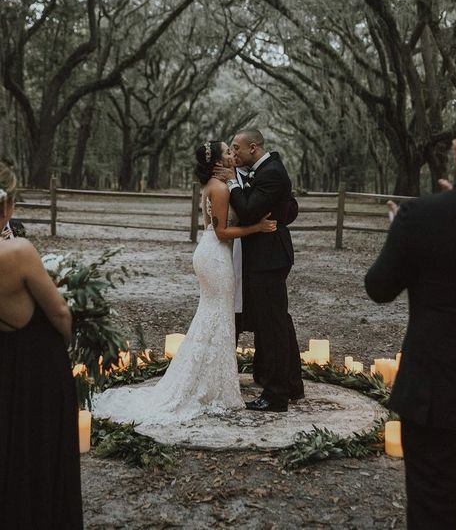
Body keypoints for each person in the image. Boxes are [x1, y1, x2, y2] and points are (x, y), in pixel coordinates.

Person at [93, 141, 276, 425]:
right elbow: (222, 231)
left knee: (216, 315)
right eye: (227, 152)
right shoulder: (217, 188)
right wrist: (257, 227)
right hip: (215, 255)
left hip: (213, 253)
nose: (232, 155)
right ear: (216, 161)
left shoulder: (218, 184)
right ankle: (204, 385)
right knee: (216, 314)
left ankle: (213, 381)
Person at [365, 108, 456, 530]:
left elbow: (379, 288)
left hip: (436, 395)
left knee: (433, 514)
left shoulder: (421, 218)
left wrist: (406, 232)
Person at [0, 162, 83, 530]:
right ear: (7, 206)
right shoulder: (17, 252)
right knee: (39, 449)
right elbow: (60, 312)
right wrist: (67, 344)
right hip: (36, 366)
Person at [216, 128, 304, 413]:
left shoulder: (271, 171)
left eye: (237, 149)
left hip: (269, 259)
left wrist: (232, 184)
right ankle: (288, 383)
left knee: (273, 326)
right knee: (275, 323)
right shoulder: (263, 169)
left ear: (252, 148)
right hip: (262, 257)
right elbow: (289, 206)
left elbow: (251, 209)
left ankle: (277, 395)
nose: (234, 154)